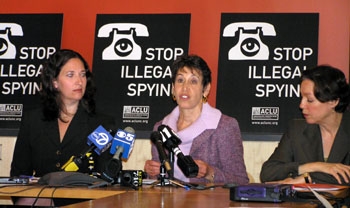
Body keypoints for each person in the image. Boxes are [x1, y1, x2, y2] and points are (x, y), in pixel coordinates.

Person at [144, 54, 249, 185]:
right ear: (173, 88)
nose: (185, 87)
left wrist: (210, 172)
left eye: (193, 81)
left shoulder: (224, 126)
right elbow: (159, 181)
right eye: (180, 80)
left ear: (205, 89)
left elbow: (241, 181)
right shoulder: (161, 128)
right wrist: (151, 172)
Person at [11, 49, 116, 178]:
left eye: (82, 74)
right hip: (40, 195)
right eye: (70, 75)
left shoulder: (102, 124)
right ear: (55, 82)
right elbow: (19, 175)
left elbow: (108, 176)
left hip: (83, 196)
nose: (79, 81)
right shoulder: (33, 120)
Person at [260, 65, 350, 185]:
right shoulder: (296, 129)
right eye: (302, 97)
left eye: (310, 100)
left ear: (333, 101)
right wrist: (313, 166)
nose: (301, 105)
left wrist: (307, 179)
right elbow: (268, 173)